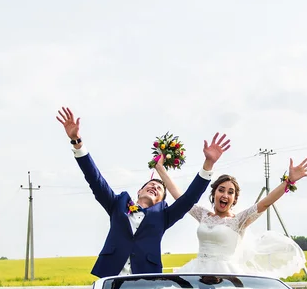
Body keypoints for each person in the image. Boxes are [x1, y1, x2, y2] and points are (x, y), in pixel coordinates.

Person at [56, 106, 231, 278]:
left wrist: (208, 165)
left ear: (161, 201)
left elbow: (189, 198)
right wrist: (77, 143)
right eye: (151, 185)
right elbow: (95, 179)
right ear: (139, 191)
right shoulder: (117, 203)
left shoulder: (164, 216)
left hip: (145, 280)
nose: (154, 187)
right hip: (110, 278)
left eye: (160, 189)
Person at [154, 155, 307, 277]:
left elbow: (266, 202)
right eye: (221, 190)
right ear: (214, 193)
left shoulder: (239, 221)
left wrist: (289, 182)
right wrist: (160, 168)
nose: (225, 194)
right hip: (198, 272)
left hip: (227, 275)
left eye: (230, 192)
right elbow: (178, 196)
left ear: (234, 199)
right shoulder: (202, 214)